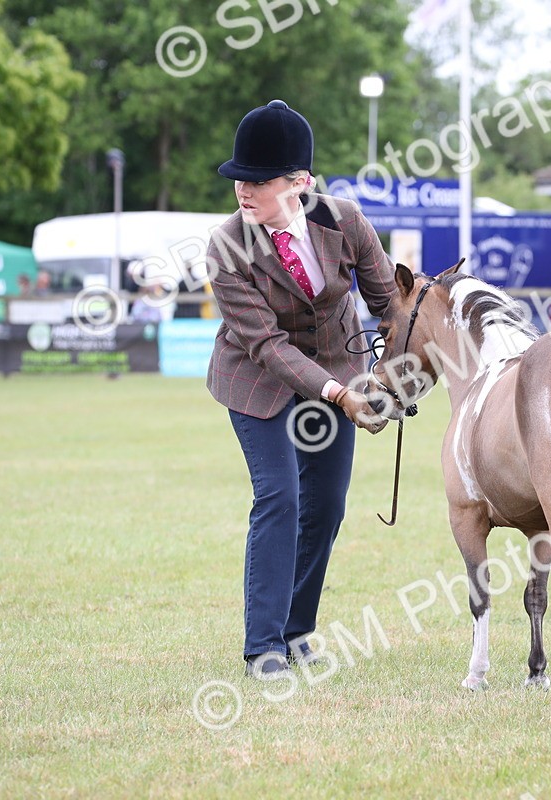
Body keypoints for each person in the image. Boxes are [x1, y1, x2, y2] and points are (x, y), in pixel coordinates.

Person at [205, 99, 395, 679]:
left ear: (300, 183)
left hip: (338, 362)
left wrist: (390, 375)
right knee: (280, 497)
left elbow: (389, 303)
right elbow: (266, 345)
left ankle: (296, 630)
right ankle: (263, 645)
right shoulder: (225, 246)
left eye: (258, 181)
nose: (243, 191)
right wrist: (339, 394)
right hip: (256, 378)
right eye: (239, 179)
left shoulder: (346, 221)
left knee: (327, 504)